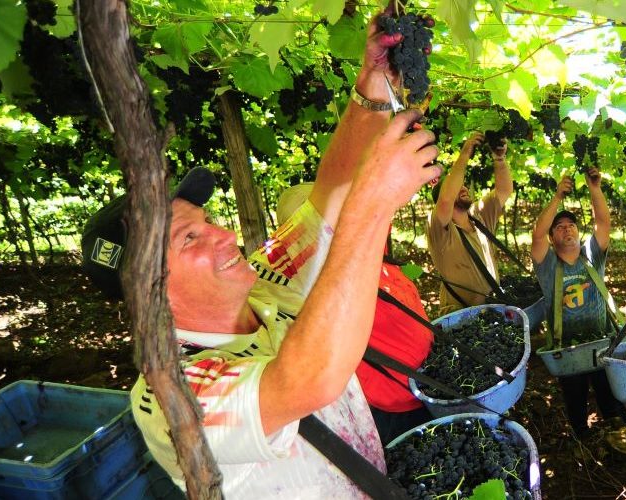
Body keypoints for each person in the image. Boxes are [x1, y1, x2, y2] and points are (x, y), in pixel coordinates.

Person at [78, 12, 441, 497]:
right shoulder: (169, 396)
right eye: (189, 238)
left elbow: (328, 198)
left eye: (206, 222)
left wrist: (371, 90)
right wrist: (373, 205)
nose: (225, 236)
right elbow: (308, 379)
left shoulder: (266, 285)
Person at [277, 183, 434, 446]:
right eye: (320, 224)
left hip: (434, 383)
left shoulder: (366, 248)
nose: (335, 225)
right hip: (397, 406)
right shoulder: (317, 291)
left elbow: (382, 197)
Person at [530, 170, 626, 439]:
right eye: (559, 227)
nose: (566, 229)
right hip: (568, 351)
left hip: (601, 344)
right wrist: (558, 196)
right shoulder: (548, 265)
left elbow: (603, 223)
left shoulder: (591, 255)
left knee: (611, 398)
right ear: (553, 238)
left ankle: (620, 440)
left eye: (571, 225)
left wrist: (594, 188)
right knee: (575, 401)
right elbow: (537, 236)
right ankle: (583, 442)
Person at [427, 131, 514, 314]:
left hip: (492, 310)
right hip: (461, 318)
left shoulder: (479, 216)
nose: (463, 187)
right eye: (457, 187)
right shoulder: (440, 228)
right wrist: (465, 154)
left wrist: (499, 159)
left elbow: (504, 190)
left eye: (463, 184)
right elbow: (445, 200)